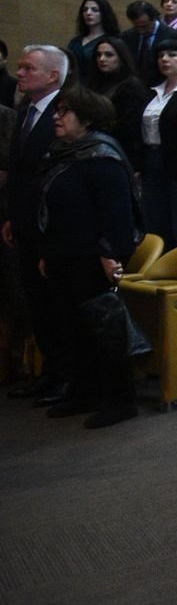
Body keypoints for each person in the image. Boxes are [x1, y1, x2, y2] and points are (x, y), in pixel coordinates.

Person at [36, 87, 142, 428]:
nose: (56, 116)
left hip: (93, 258)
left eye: (65, 111)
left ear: (87, 117)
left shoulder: (101, 156)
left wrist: (110, 254)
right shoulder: (65, 152)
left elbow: (117, 214)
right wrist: (47, 253)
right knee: (72, 328)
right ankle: (83, 392)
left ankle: (120, 400)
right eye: (57, 110)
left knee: (104, 332)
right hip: (63, 254)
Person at [4, 47, 72, 404]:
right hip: (25, 224)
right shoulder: (25, 111)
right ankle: (48, 373)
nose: (20, 73)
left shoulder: (66, 114)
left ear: (53, 76)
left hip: (52, 227)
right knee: (36, 304)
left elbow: (55, 176)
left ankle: (65, 377)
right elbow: (18, 173)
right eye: (19, 67)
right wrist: (13, 217)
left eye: (29, 67)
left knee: (55, 304)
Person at [138, 42, 177, 246]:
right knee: (154, 220)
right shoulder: (151, 90)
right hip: (150, 159)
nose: (165, 59)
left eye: (172, 55)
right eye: (161, 55)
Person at [86, 37, 152, 165]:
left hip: (118, 151)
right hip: (92, 147)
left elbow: (130, 128)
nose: (102, 59)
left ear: (121, 58)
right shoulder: (93, 84)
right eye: (98, 55)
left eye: (109, 55)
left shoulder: (132, 86)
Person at [67, 0, 118, 71]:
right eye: (85, 10)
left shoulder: (112, 41)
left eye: (95, 10)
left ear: (104, 13)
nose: (88, 13)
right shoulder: (75, 41)